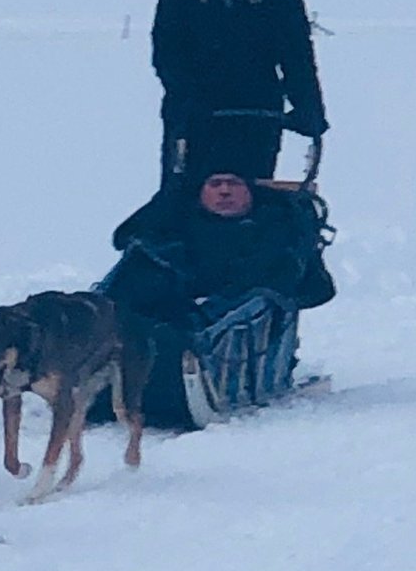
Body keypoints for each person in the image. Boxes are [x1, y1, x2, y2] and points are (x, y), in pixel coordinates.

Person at [100, 156, 335, 425]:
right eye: (215, 184)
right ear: (201, 192)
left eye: (233, 184)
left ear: (250, 192)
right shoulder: (171, 232)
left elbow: (302, 285)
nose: (224, 191)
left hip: (223, 331)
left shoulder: (273, 234)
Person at [150, 0, 327, 188]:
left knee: (251, 196)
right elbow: (167, 49)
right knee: (186, 196)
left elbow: (297, 57)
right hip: (192, 114)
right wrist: (186, 95)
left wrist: (309, 107)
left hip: (257, 113)